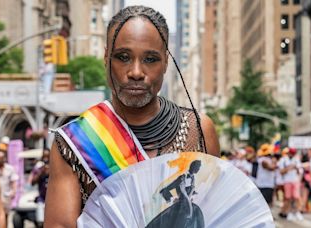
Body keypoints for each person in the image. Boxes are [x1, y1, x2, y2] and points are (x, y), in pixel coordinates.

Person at [44, 5, 220, 227]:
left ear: (166, 62)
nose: (136, 72)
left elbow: (217, 215)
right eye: (123, 57)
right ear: (106, 57)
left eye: (150, 59)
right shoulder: (73, 143)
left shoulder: (199, 130)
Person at [0, 150, 19, 218]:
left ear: (4, 158)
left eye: (1, 158)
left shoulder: (10, 168)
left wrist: (13, 191)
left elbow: (13, 181)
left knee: (6, 215)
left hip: (6, 196)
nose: (0, 160)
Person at [278, 147, 303, 221]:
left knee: (296, 197)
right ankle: (289, 212)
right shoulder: (283, 160)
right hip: (287, 181)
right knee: (288, 197)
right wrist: (288, 168)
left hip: (295, 181)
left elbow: (300, 172)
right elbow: (281, 171)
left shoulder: (296, 160)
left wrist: (296, 168)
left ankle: (296, 211)